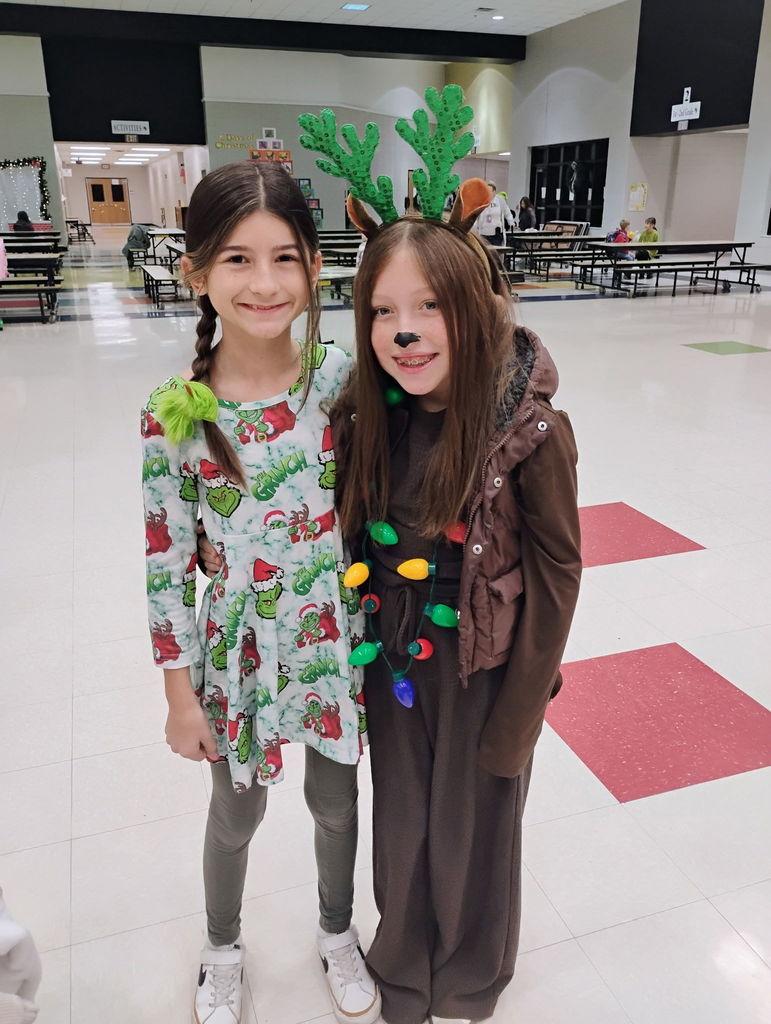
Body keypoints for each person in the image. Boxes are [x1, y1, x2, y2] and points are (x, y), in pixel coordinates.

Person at [329, 188, 582, 1024]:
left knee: (474, 828)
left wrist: (520, 712)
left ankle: (471, 978)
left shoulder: (529, 428)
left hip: (484, 667)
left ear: (476, 307)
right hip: (394, 660)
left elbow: (557, 572)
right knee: (403, 818)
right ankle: (401, 964)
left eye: (429, 306)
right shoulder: (367, 415)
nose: (404, 331)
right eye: (383, 310)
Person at [141, 160, 380, 1024]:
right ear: (196, 272)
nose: (265, 282)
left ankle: (335, 929)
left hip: (330, 638)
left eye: (285, 256)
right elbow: (165, 562)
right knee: (234, 815)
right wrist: (179, 694)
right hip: (240, 654)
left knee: (333, 799)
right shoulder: (176, 411)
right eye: (236, 260)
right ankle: (220, 947)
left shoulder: (344, 380)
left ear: (317, 265)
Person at [477, 180, 515, 246]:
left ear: (494, 191)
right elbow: (476, 215)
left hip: (496, 233)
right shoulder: (481, 200)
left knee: (496, 252)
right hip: (484, 232)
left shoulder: (500, 200)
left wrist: (511, 222)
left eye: (489, 191)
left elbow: (507, 213)